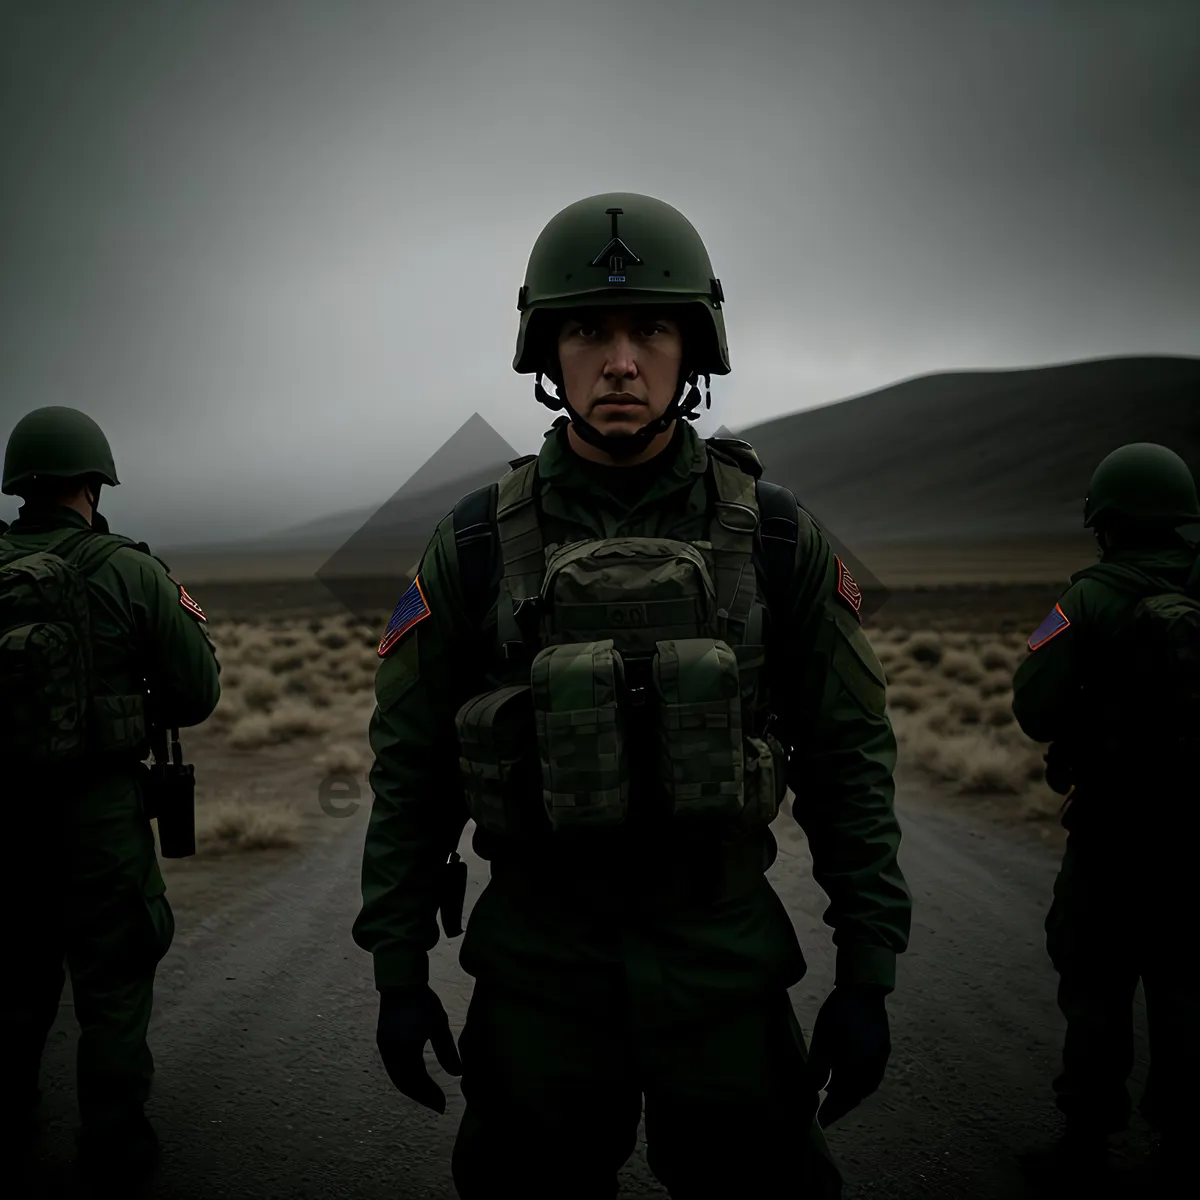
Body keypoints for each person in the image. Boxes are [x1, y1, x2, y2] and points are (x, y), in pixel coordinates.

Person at [352, 192, 912, 1198]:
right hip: (537, 982)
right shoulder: (476, 542)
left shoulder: (778, 535)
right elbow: (411, 766)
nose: (620, 360)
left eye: (650, 328)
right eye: (587, 330)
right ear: (547, 355)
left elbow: (849, 759)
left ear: (694, 347)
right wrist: (398, 967)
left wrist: (869, 968)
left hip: (724, 970)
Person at [0, 406, 221, 1184]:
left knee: (16, 979)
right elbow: (198, 693)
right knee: (115, 983)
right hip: (99, 815)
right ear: (94, 481)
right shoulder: (130, 570)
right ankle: (114, 1149)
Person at [1012, 441, 1200, 1184]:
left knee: (1094, 984)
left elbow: (1033, 705)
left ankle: (1087, 1140)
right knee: (1188, 986)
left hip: (1112, 833)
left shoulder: (1079, 603)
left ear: (1106, 518)